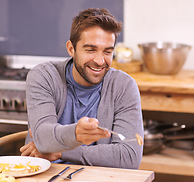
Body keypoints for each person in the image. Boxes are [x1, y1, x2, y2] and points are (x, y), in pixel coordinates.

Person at [20, 8, 143, 169]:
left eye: (107, 52)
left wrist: (62, 152)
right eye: (90, 50)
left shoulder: (123, 86)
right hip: (44, 177)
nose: (100, 61)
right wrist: (76, 134)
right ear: (71, 49)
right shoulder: (44, 76)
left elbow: (129, 157)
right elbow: (43, 138)